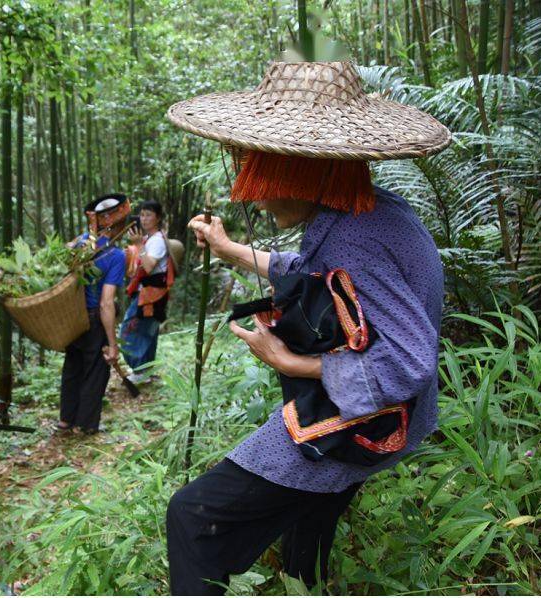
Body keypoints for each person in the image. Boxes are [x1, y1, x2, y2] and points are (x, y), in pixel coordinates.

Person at [164, 61, 451, 594]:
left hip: (369, 420)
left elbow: (409, 364)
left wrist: (290, 361)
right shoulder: (366, 212)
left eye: (258, 173)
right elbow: (325, 278)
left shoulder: (353, 239)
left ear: (299, 168)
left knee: (192, 518)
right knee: (307, 518)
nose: (249, 192)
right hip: (382, 413)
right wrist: (232, 251)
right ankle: (305, 581)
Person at [57, 193, 129, 434]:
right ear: (120, 224)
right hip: (93, 320)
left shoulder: (77, 244)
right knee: (95, 371)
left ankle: (66, 421)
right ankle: (85, 426)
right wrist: (112, 343)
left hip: (71, 317)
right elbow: (106, 304)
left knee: (73, 367)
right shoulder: (116, 255)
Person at [120, 200, 174, 384]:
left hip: (151, 296)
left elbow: (149, 266)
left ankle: (138, 370)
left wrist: (139, 246)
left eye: (148, 215)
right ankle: (146, 372)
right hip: (151, 294)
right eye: (142, 214)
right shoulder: (149, 239)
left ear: (158, 218)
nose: (144, 219)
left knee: (128, 330)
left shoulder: (157, 240)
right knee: (147, 333)